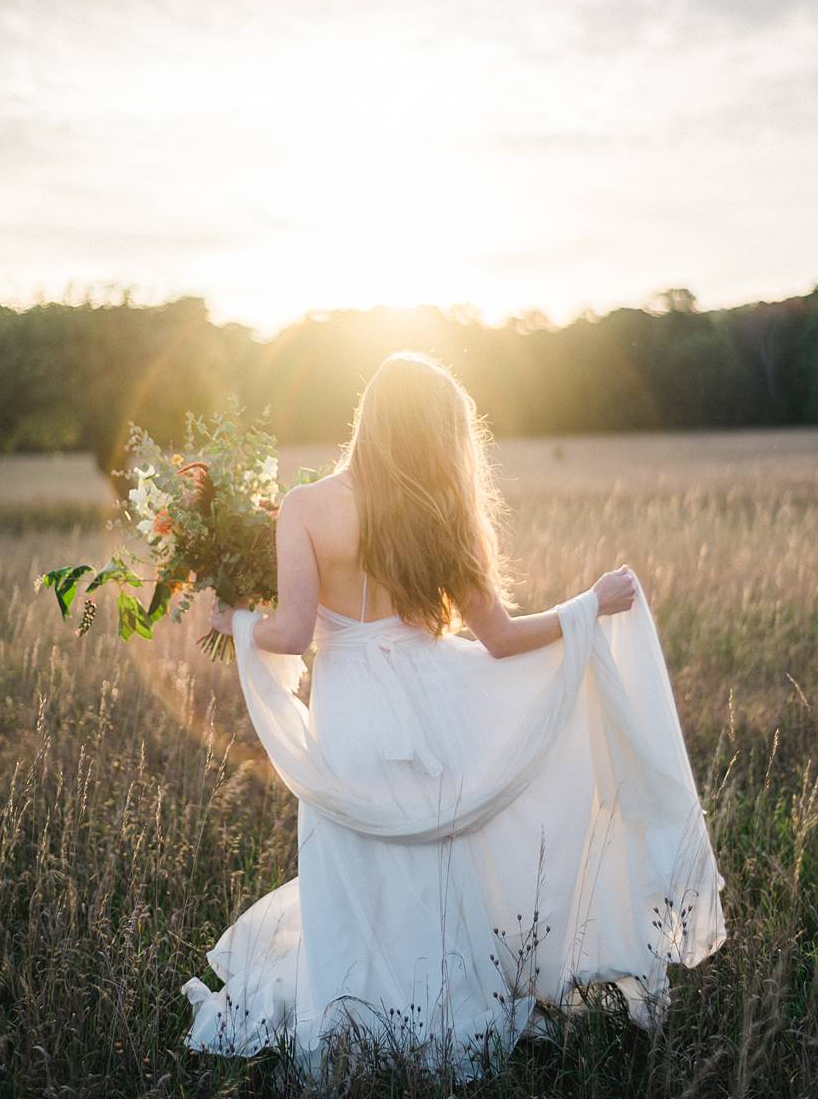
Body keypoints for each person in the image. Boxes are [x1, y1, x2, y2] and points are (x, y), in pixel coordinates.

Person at [181, 351, 725, 1078]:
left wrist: (231, 620)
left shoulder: (306, 507)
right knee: (434, 873)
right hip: (437, 706)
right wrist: (587, 607)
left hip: (350, 716)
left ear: (368, 418)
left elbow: (289, 633)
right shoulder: (440, 512)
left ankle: (349, 1024)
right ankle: (437, 1019)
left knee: (351, 870)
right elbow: (502, 639)